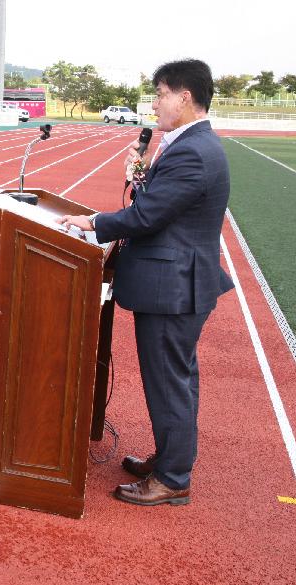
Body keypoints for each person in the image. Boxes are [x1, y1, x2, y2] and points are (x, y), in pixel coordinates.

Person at [57, 59, 233, 508]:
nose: (155, 104)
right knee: (174, 378)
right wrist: (138, 177)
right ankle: (170, 459)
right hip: (175, 282)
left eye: (160, 94)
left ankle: (173, 477)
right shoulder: (188, 144)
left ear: (185, 97)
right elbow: (157, 203)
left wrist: (91, 222)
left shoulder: (194, 150)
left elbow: (147, 217)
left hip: (174, 287)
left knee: (169, 382)